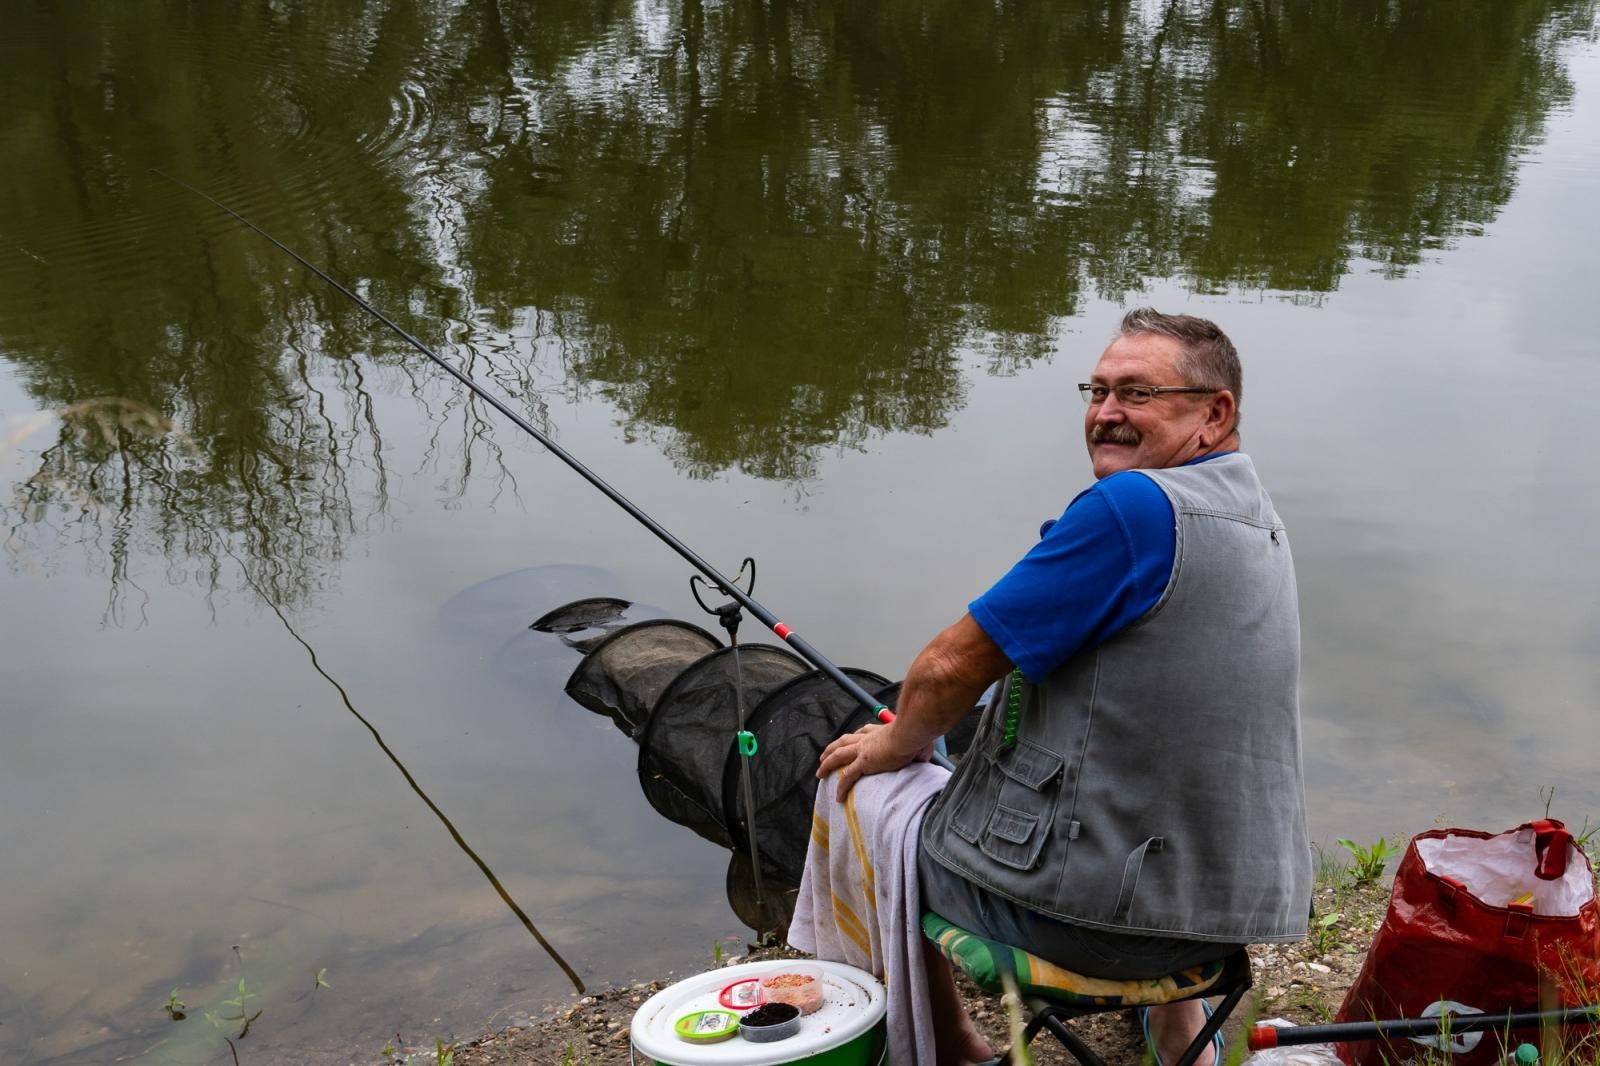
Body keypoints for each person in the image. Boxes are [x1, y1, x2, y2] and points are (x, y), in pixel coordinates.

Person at [816, 309, 1311, 1065]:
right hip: (1218, 917)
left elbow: (949, 667)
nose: (1107, 414)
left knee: (865, 791)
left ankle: (952, 1048)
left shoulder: (1133, 508)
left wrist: (895, 741)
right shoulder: (1255, 512)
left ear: (1216, 413)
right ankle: (1183, 1033)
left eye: (1138, 395)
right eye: (1099, 391)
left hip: (1099, 926)